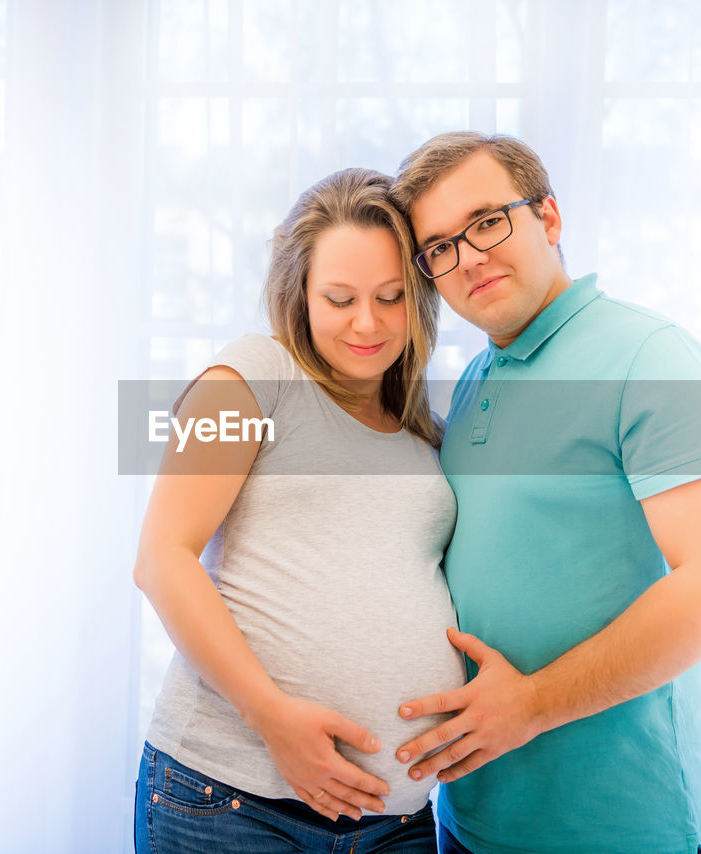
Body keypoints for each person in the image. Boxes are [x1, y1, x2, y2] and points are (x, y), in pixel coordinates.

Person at [387, 132, 701, 853]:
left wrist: (530, 705)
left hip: (622, 833)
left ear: (549, 219)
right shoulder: (473, 383)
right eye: (440, 247)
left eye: (487, 222)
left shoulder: (648, 356)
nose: (468, 256)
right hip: (470, 827)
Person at [132, 168, 465, 853]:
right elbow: (161, 560)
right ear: (300, 294)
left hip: (393, 825)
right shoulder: (254, 376)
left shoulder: (421, 434)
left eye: (391, 297)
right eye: (340, 298)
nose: (367, 322)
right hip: (233, 803)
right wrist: (273, 717)